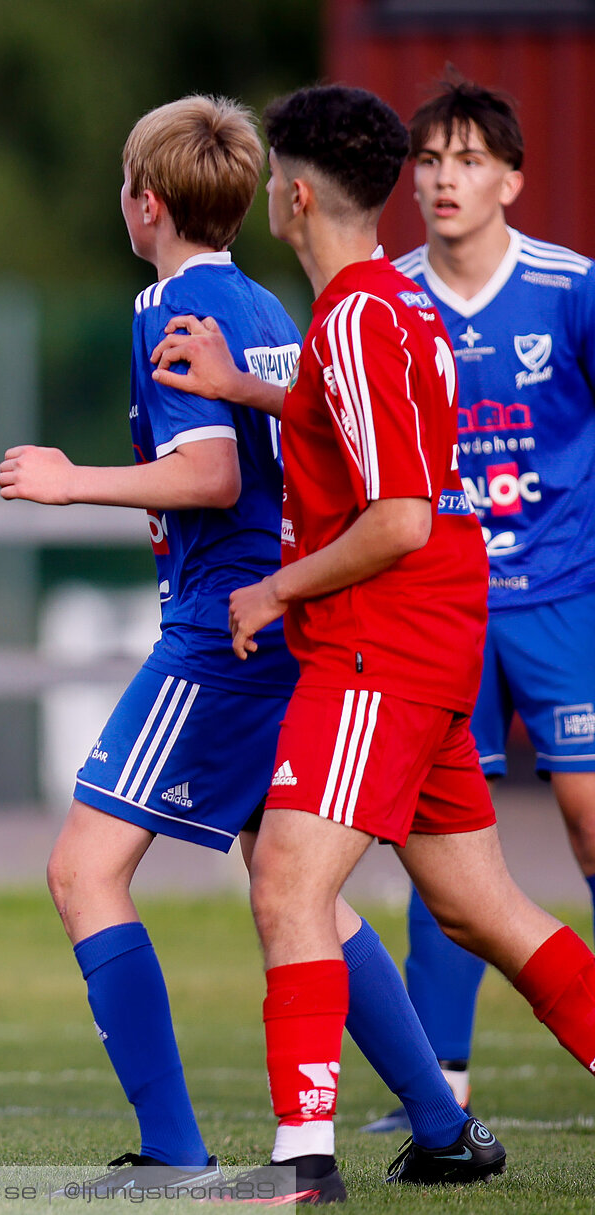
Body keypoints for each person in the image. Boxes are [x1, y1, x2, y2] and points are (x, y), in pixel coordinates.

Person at [1, 95, 483, 1198]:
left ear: (146, 202)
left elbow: (212, 474)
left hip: (222, 630)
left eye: (125, 188)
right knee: (307, 890)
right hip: (284, 625)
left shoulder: (173, 304)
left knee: (84, 871)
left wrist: (74, 481)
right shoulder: (261, 296)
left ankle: (173, 1153)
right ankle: (442, 1126)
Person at [150, 83, 595, 1205]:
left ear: (294, 196)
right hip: (442, 641)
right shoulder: (396, 307)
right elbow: (350, 413)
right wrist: (242, 385)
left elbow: (397, 516)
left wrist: (272, 593)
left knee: (289, 887)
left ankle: (302, 1167)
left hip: (377, 648)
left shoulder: (354, 314)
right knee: (479, 908)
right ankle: (420, 1139)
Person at [353, 76, 595, 1135]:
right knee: (447, 845)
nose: (444, 179)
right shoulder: (386, 297)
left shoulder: (571, 290)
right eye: (430, 161)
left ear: (512, 178)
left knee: (590, 822)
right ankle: (440, 1090)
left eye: (467, 160)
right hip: (439, 608)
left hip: (559, 598)